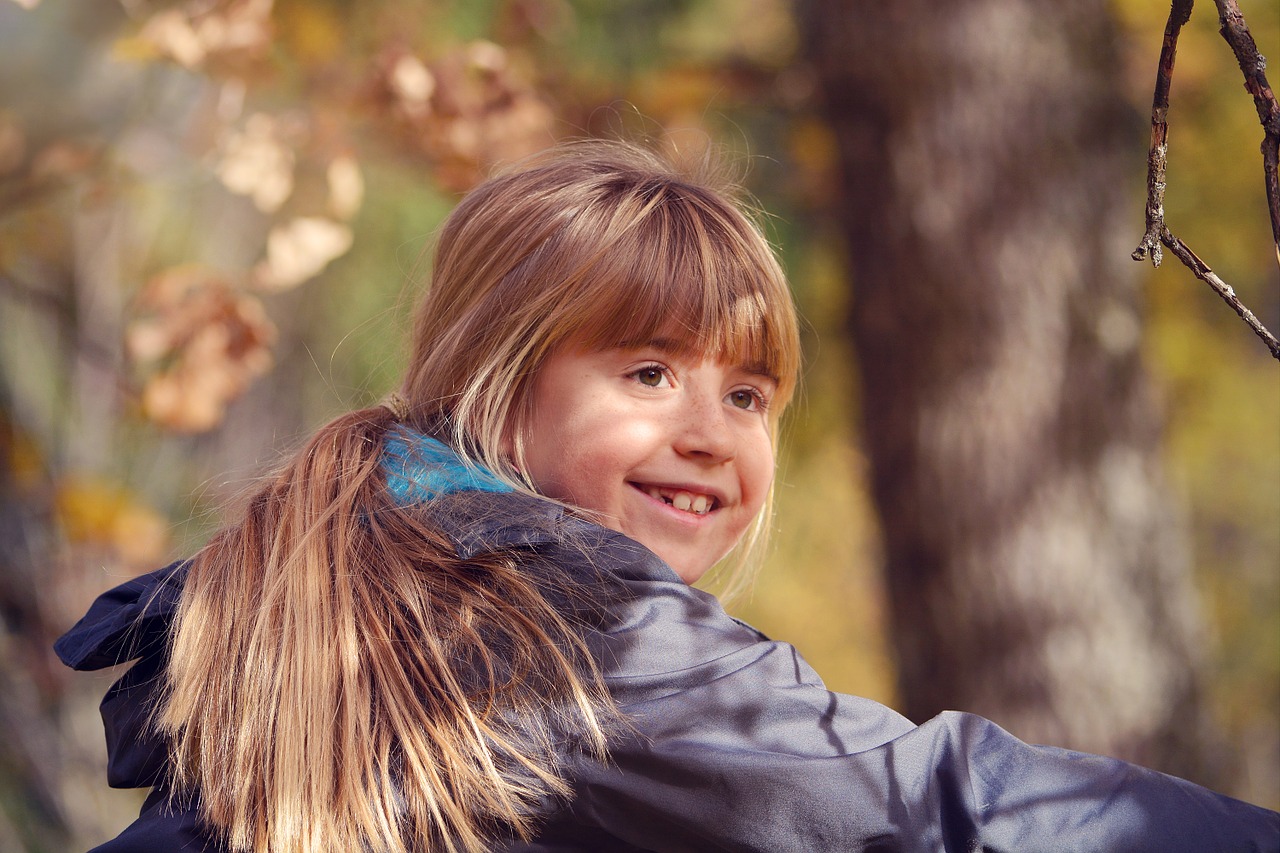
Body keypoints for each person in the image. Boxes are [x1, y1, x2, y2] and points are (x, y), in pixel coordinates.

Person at [56, 140, 1278, 852]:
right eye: (647, 372)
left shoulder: (371, 579)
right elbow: (912, 809)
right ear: (498, 377)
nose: (710, 435)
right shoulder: (542, 613)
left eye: (749, 397)